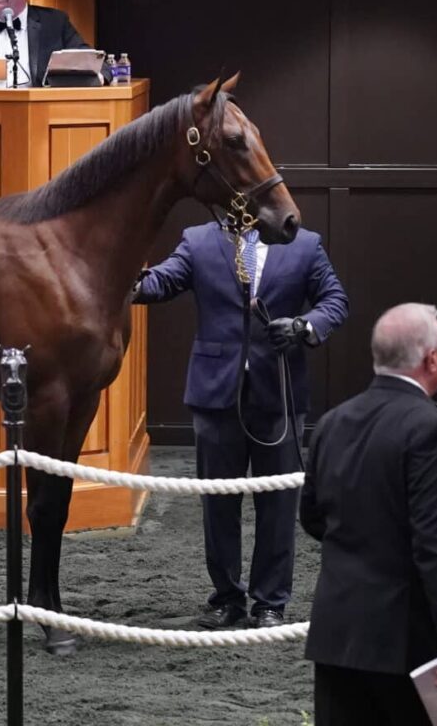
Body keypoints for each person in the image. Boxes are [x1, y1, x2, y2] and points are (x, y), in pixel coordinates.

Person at [133, 220, 347, 629]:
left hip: (279, 393)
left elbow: (335, 300)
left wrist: (304, 326)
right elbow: (161, 281)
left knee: (278, 504)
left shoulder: (305, 244)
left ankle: (270, 603)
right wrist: (128, 279)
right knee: (217, 503)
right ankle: (227, 598)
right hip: (216, 394)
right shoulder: (197, 240)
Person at [301, 302, 437, 726]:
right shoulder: (432, 430)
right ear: (433, 359)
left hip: (335, 636)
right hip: (403, 644)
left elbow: (311, 518)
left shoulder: (331, 423)